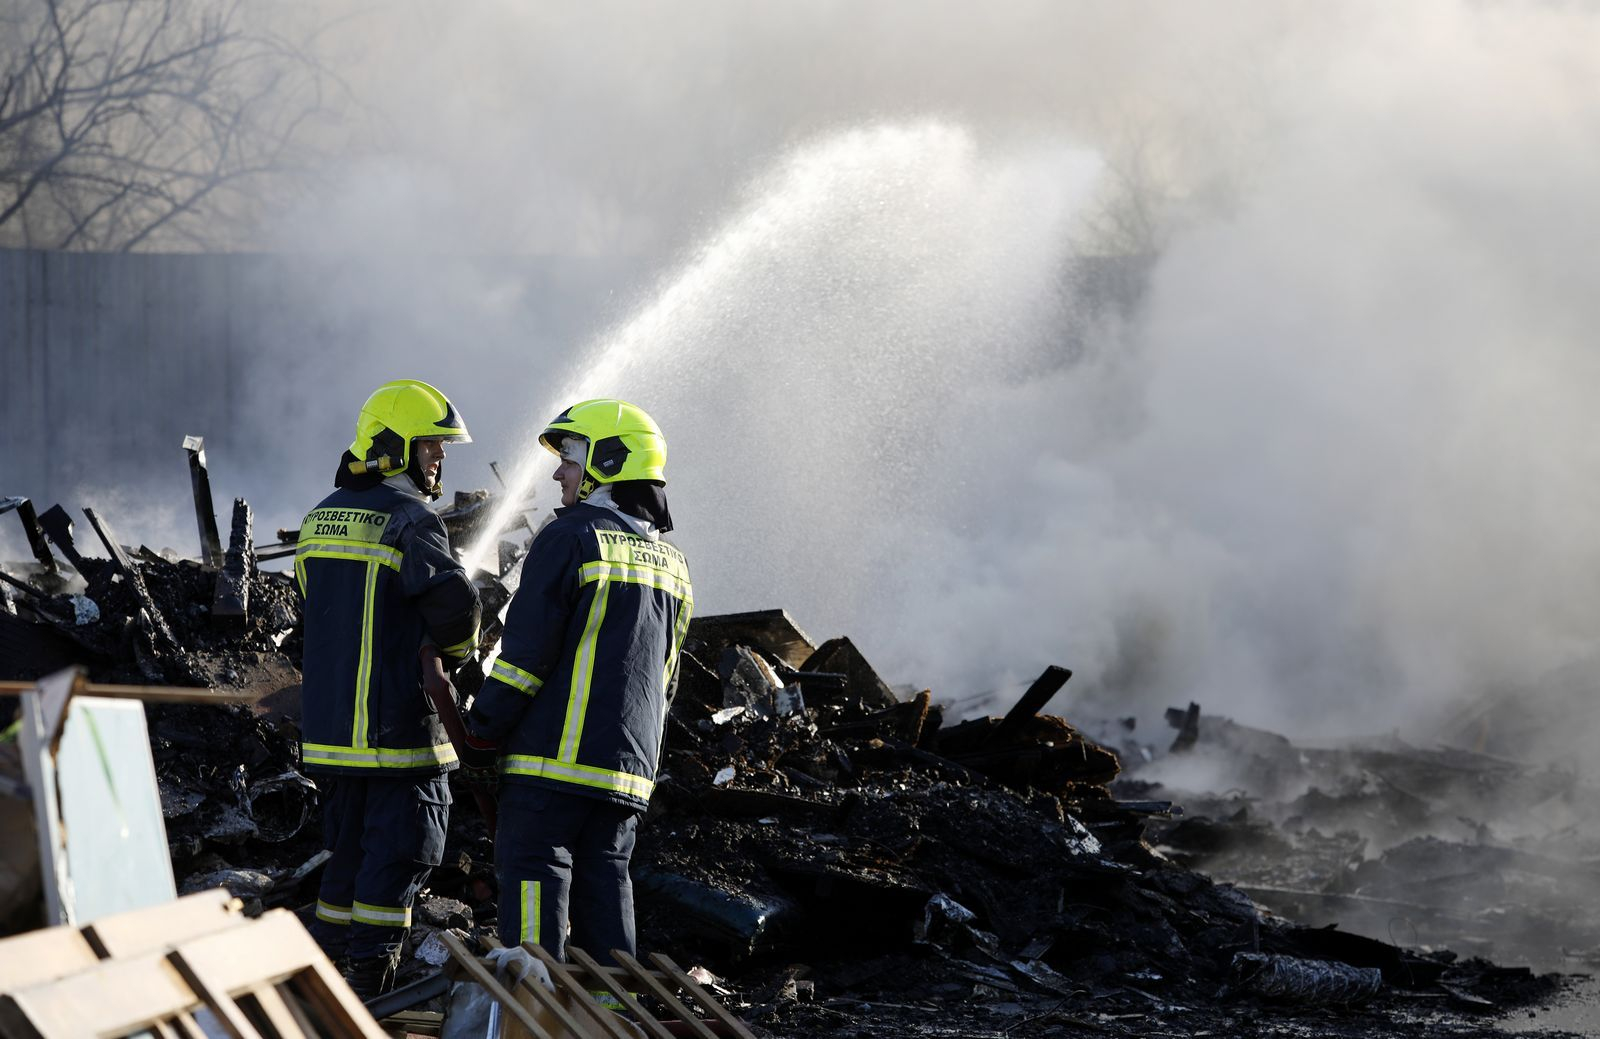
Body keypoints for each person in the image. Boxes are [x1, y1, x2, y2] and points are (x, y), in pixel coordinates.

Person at [466, 399, 691, 970]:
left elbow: (525, 658)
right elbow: (666, 678)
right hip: (627, 775)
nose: (559, 472)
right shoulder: (674, 565)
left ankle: (537, 1018)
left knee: (536, 884)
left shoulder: (570, 536)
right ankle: (610, 1021)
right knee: (606, 893)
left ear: (609, 461)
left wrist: (483, 730)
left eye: (569, 457)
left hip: (551, 767)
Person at [296, 379, 481, 998]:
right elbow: (456, 608)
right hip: (399, 735)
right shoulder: (411, 520)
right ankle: (370, 997)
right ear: (394, 447)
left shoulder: (320, 516)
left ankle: (322, 997)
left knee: (344, 869)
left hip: (333, 741)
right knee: (398, 862)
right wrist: (456, 659)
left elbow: (317, 609)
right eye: (431, 446)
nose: (440, 459)